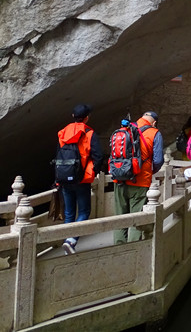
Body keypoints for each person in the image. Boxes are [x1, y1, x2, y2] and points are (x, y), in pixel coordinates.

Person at [56, 104, 104, 254]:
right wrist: (92, 171)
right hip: (82, 179)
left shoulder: (62, 133)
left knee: (69, 213)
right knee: (84, 211)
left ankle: (66, 242)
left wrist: (58, 177)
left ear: (72, 116)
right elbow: (98, 156)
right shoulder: (89, 133)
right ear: (87, 117)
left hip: (64, 178)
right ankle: (71, 240)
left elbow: (58, 155)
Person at [114, 111, 164, 244]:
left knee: (119, 217)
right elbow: (158, 160)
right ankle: (133, 251)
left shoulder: (124, 129)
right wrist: (149, 171)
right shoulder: (154, 133)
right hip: (140, 181)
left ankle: (118, 249)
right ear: (154, 122)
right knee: (137, 219)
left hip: (119, 179)